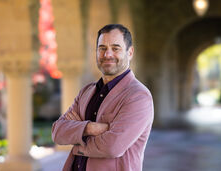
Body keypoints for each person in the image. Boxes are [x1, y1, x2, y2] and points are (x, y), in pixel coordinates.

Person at [52, 24, 154, 171]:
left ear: (130, 52)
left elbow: (112, 147)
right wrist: (89, 128)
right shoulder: (86, 92)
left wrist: (76, 142)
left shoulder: (138, 96)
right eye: (102, 48)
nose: (107, 54)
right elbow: (57, 132)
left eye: (115, 48)